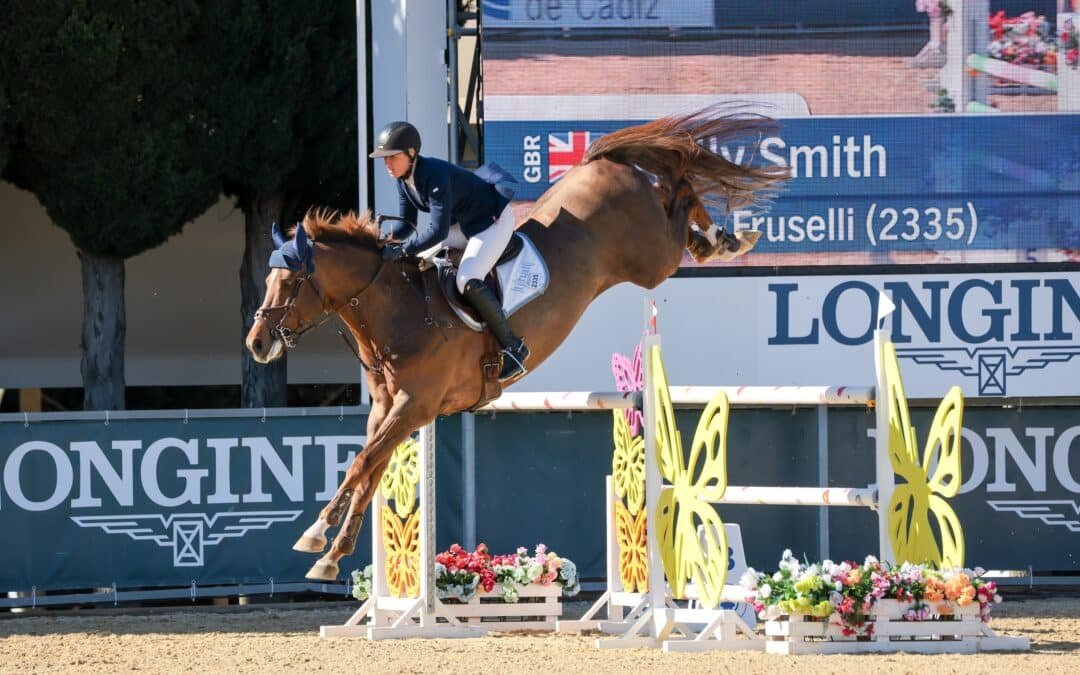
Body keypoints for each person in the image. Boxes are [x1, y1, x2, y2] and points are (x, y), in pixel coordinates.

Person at [369, 120, 529, 381]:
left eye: (392, 157)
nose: (387, 164)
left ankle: (513, 347)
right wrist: (381, 243)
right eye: (384, 159)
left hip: (490, 222)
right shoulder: (402, 179)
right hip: (465, 225)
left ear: (411, 153)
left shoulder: (433, 174)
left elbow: (437, 232)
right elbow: (408, 227)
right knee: (421, 260)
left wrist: (403, 250)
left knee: (467, 278)